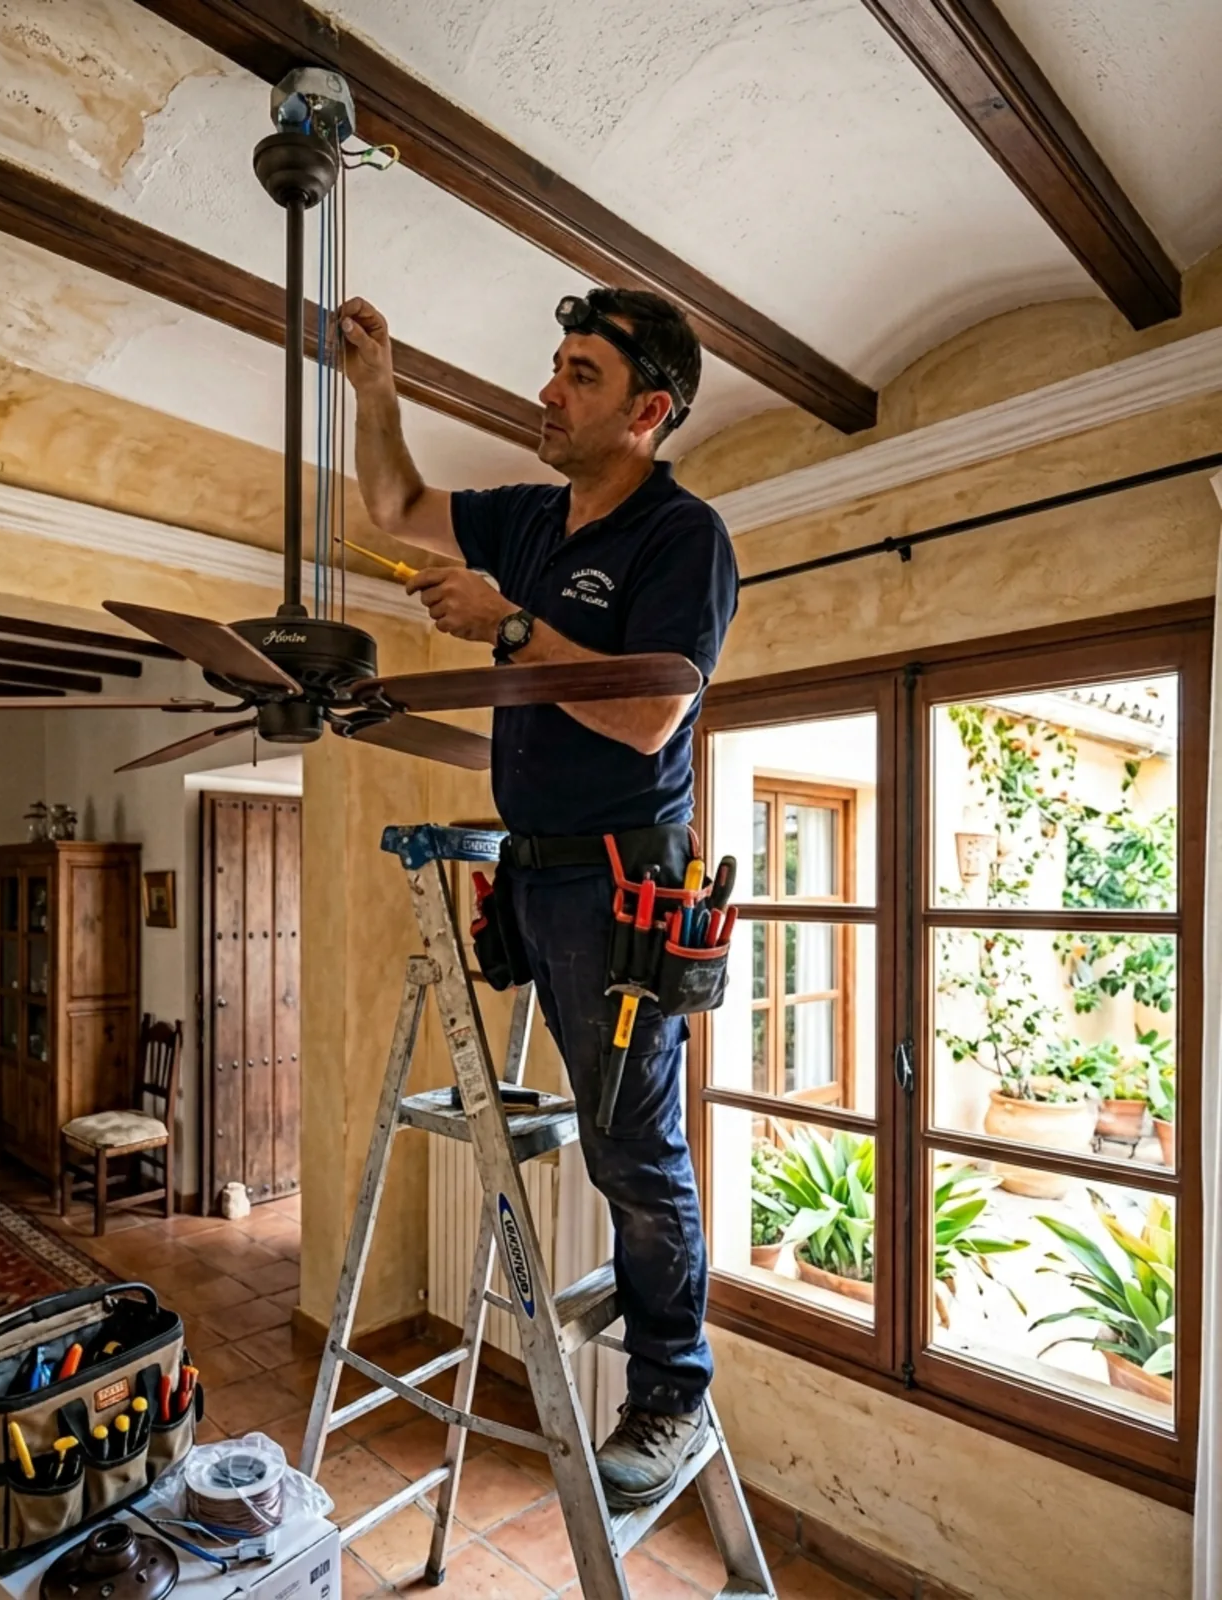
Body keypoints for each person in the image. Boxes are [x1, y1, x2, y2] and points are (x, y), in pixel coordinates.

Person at [339, 286, 738, 1508]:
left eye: (579, 374)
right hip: (535, 872)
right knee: (609, 1136)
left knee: (632, 1148)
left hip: (624, 886)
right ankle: (662, 1376)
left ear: (647, 411)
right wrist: (375, 386)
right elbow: (397, 508)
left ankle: (670, 1388)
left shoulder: (680, 540)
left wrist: (512, 629)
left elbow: (645, 713)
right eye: (553, 366)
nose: (547, 391)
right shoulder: (528, 518)